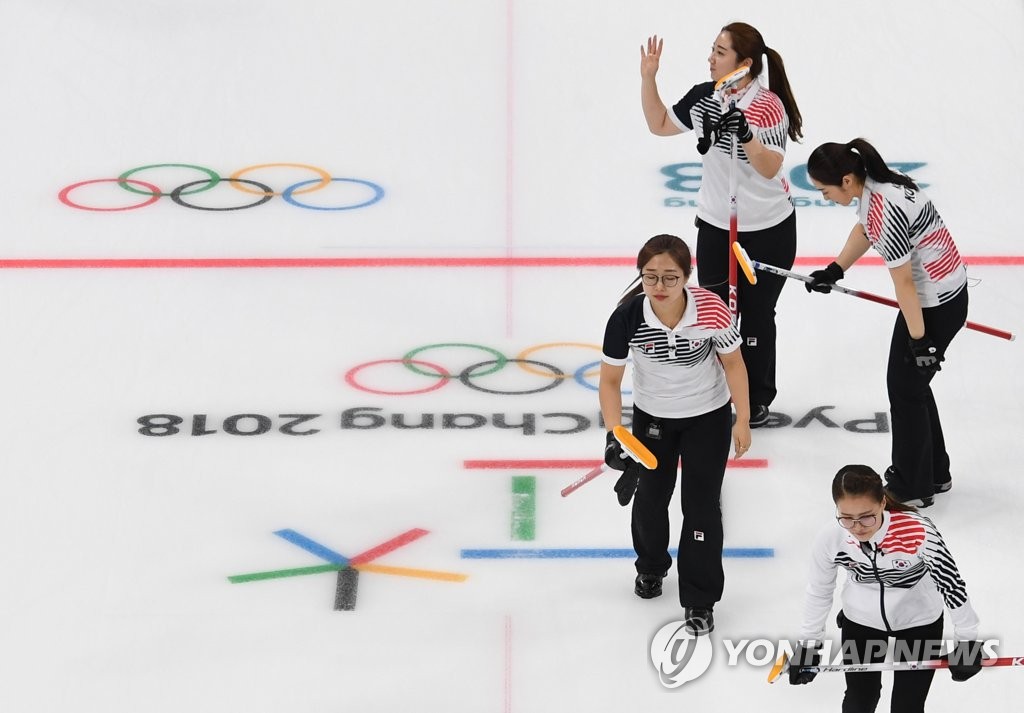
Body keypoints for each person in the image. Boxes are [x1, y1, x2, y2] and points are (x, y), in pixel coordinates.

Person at [639, 22, 803, 427]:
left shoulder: (768, 106)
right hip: (716, 223)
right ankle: (714, 387)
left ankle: (758, 397)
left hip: (768, 227)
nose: (710, 58)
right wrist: (648, 78)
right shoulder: (703, 97)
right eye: (712, 50)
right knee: (715, 310)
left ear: (744, 63)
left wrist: (745, 134)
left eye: (720, 52)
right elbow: (658, 123)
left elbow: (769, 167)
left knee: (758, 313)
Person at [599, 233, 751, 636]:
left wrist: (743, 418)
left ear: (687, 276)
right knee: (650, 498)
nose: (659, 287)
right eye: (650, 277)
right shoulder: (626, 317)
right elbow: (611, 382)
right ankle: (650, 568)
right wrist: (616, 436)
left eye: (669, 277)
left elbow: (734, 364)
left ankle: (700, 600)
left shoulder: (712, 310)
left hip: (707, 417)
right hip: (653, 420)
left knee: (701, 508)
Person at [805, 138, 968, 507]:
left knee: (905, 390)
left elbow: (905, 283)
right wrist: (835, 270)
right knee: (913, 385)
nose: (824, 197)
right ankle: (934, 473)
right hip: (944, 295)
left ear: (847, 180)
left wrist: (920, 341)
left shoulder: (884, 210)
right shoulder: (880, 186)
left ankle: (913, 487)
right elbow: (864, 230)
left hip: (933, 304)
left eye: (825, 190)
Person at [790, 464, 984, 712]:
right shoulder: (831, 538)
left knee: (907, 706)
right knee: (859, 702)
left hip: (919, 622)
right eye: (846, 518)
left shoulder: (918, 532)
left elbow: (951, 584)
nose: (858, 527)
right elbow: (819, 591)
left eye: (867, 516)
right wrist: (809, 646)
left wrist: (967, 642)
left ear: (882, 503)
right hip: (861, 622)